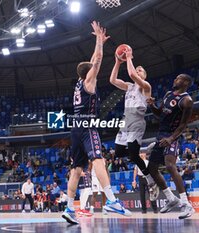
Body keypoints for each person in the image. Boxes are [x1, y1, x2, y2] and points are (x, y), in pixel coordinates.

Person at [62, 21, 131, 225]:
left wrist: (98, 41)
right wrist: (100, 43)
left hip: (75, 128)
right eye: (92, 69)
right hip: (86, 126)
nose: (95, 69)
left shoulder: (79, 83)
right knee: (99, 160)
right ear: (89, 74)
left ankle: (68, 207)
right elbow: (98, 58)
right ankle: (111, 200)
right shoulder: (89, 82)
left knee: (76, 170)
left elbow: (92, 61)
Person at [109, 46, 158, 201]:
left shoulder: (146, 86)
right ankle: (143, 149)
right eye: (137, 69)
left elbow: (131, 73)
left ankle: (151, 181)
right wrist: (117, 62)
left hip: (137, 120)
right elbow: (112, 80)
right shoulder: (129, 87)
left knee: (133, 155)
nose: (138, 70)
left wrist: (129, 57)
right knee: (118, 153)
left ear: (144, 75)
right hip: (125, 121)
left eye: (141, 70)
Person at [146, 74, 195, 219]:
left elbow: (183, 125)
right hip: (161, 134)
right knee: (152, 169)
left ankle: (187, 205)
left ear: (185, 82)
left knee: (169, 165)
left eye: (178, 78)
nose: (174, 80)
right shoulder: (168, 94)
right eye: (175, 78)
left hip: (172, 135)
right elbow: (160, 114)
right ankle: (171, 198)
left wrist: (171, 138)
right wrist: (152, 105)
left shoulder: (187, 101)